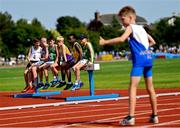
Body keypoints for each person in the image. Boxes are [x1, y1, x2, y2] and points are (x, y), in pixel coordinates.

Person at [99, 6, 158, 126]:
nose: (122, 22)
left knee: (133, 88)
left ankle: (131, 117)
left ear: (130, 17)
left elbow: (121, 39)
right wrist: (143, 49)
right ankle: (155, 116)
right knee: (150, 88)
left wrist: (105, 42)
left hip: (140, 61)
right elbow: (153, 41)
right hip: (148, 59)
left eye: (123, 19)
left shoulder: (130, 27)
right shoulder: (141, 28)